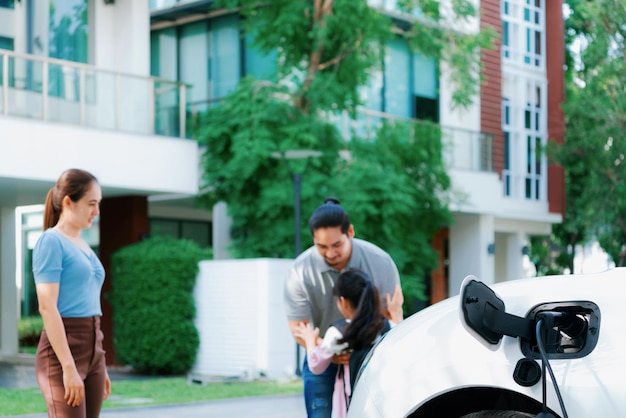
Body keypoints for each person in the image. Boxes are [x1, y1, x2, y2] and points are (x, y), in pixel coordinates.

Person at [284, 197, 404, 418]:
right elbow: (300, 328)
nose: (330, 254)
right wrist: (330, 351)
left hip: (370, 355)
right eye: (322, 247)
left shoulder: (380, 262)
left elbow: (391, 318)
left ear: (350, 232)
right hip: (323, 350)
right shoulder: (299, 272)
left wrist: (360, 350)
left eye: (336, 245)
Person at [32, 169, 111, 418]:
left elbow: (89, 301)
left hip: (93, 346)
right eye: (91, 203)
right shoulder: (51, 241)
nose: (96, 211)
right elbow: (47, 307)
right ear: (68, 202)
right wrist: (68, 366)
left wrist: (100, 360)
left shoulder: (84, 244)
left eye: (98, 204)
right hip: (63, 350)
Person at [293, 269, 403, 418]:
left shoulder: (338, 333)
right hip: (380, 401)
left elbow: (316, 365)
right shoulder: (387, 327)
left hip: (351, 404)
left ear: (343, 301)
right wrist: (396, 313)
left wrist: (309, 340)